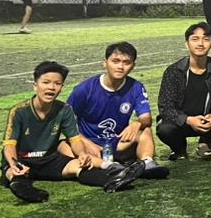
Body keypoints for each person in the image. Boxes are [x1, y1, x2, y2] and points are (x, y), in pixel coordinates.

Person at [1, 61, 143, 201]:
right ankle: (23, 188)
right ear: (35, 85)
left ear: (61, 87)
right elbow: (9, 145)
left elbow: (74, 139)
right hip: (21, 159)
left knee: (78, 166)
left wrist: (82, 154)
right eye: (46, 82)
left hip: (49, 159)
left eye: (57, 83)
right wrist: (14, 164)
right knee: (14, 173)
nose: (51, 87)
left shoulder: (64, 110)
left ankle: (114, 180)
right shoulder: (19, 111)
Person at [67, 42, 169, 179]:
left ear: (133, 66)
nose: (120, 67)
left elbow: (146, 118)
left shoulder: (135, 87)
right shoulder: (85, 89)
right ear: (105, 63)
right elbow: (65, 122)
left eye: (126, 62)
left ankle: (147, 164)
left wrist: (137, 123)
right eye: (115, 61)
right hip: (90, 144)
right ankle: (108, 166)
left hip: (117, 142)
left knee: (145, 130)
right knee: (64, 146)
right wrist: (85, 142)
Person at [156, 22, 211, 160]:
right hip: (182, 122)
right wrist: (188, 120)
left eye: (206, 39)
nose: (200, 44)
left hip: (207, 121)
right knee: (165, 128)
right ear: (187, 44)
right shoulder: (174, 71)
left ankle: (206, 144)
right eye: (195, 39)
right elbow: (165, 106)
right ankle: (179, 149)